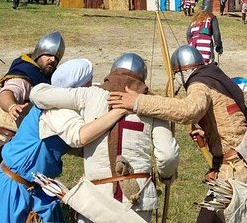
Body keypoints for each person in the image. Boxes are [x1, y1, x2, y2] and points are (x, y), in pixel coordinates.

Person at [107, 45, 247, 223]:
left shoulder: (200, 83)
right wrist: (209, 133)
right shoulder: (212, 76)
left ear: (183, 71)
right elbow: (230, 120)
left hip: (236, 170)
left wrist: (138, 102)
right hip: (242, 164)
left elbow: (188, 110)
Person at [30, 53, 180, 223]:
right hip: (137, 197)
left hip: (96, 197)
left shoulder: (89, 94)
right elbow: (168, 155)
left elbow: (37, 93)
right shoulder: (151, 104)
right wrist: (166, 176)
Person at [0, 59, 127, 223]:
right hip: (14, 190)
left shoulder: (60, 106)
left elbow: (76, 146)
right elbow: (81, 136)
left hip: (37, 188)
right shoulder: (55, 110)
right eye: (89, 82)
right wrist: (121, 110)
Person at [0, 31, 65, 152]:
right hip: (11, 141)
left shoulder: (48, 74)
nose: (53, 59)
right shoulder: (24, 74)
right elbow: (8, 92)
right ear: (39, 53)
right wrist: (11, 106)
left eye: (56, 58)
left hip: (31, 141)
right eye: (48, 54)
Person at [187, 0, 223, 64]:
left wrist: (191, 44)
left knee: (195, 64)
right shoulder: (211, 17)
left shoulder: (195, 18)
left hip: (193, 43)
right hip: (205, 43)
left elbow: (188, 33)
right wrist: (219, 46)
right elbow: (216, 34)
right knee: (206, 66)